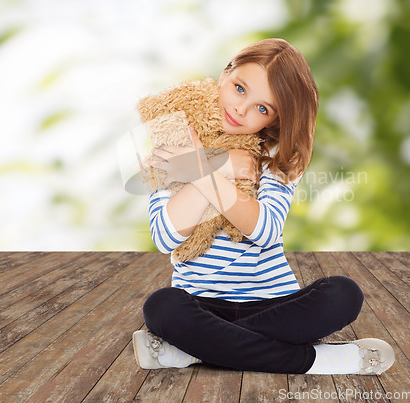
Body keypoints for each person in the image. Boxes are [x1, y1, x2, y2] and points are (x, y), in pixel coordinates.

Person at [132, 38, 395, 375]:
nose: (241, 109)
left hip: (274, 304)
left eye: (262, 108)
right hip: (200, 305)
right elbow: (166, 238)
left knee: (344, 294)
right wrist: (216, 166)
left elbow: (265, 231)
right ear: (225, 74)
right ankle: (315, 360)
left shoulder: (276, 160)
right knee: (161, 307)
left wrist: (199, 171)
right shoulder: (172, 141)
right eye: (240, 88)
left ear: (273, 120)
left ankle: (194, 352)